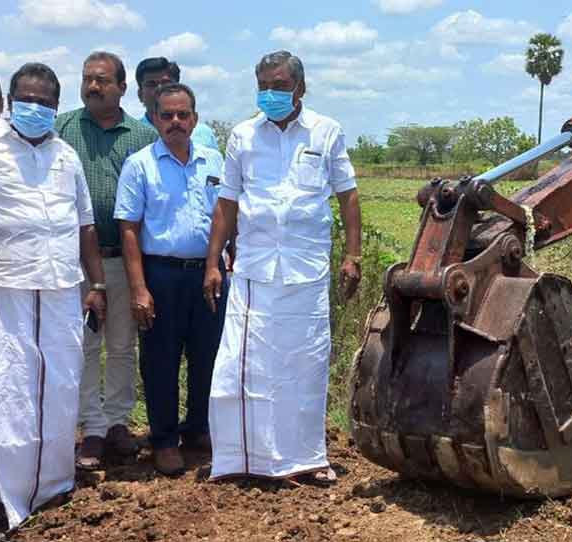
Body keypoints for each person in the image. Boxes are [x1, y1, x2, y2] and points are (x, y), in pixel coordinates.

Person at [203, 50, 362, 482]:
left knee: (303, 365)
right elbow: (227, 203)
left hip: (305, 270)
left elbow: (347, 196)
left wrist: (353, 255)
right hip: (253, 270)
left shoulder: (326, 133)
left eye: (279, 85)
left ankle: (306, 459)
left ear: (300, 89)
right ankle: (244, 460)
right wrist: (213, 262)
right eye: (264, 86)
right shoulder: (241, 136)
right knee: (245, 364)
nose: (270, 94)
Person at [0, 62, 106, 534]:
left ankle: (53, 481)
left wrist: (96, 285)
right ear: (11, 101)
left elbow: (84, 226)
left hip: (62, 288)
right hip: (7, 289)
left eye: (44, 102)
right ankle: (5, 492)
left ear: (56, 107)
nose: (35, 108)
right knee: (9, 387)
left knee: (60, 385)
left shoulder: (66, 157)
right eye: (27, 99)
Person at [114, 83, 227, 476]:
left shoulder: (214, 161)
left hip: (209, 273)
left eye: (183, 115)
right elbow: (129, 228)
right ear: (156, 119)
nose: (176, 122)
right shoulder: (139, 164)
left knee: (208, 356)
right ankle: (163, 439)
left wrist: (216, 263)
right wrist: (139, 287)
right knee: (160, 360)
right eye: (167, 116)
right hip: (160, 274)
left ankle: (198, 428)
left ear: (195, 118)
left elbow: (223, 217)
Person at [56, 51, 157, 470]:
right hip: (73, 260)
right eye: (87, 79)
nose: (93, 86)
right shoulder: (62, 128)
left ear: (122, 88)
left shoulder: (141, 136)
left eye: (102, 80)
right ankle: (91, 429)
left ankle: (117, 422)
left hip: (122, 259)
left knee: (120, 346)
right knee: (84, 346)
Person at [135, 57, 219, 151]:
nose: (159, 89)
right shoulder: (132, 135)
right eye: (151, 84)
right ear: (140, 94)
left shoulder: (204, 134)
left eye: (166, 83)